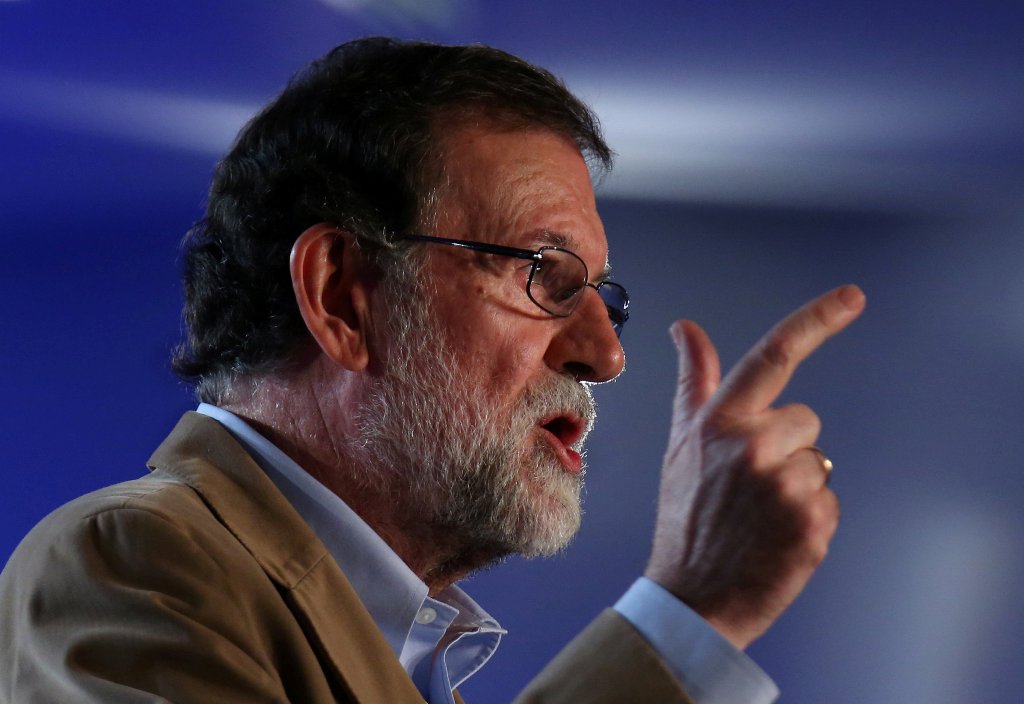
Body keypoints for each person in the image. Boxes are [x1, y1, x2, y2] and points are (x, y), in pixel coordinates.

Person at [0, 37, 864, 703]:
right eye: (542, 274)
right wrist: (690, 607)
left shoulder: (394, 629)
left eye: (601, 295)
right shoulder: (132, 563)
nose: (604, 355)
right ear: (342, 296)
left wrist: (699, 607)